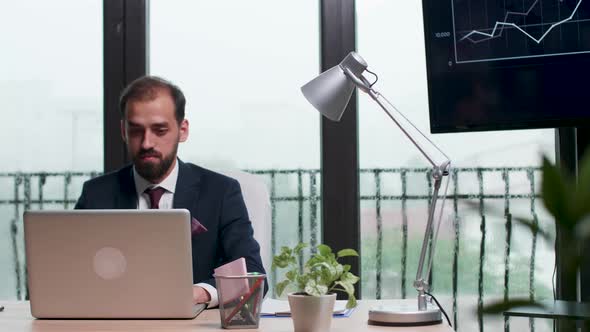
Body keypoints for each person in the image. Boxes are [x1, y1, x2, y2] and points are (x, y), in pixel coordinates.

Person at [74, 75, 267, 307]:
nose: (147, 143)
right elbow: (72, 272)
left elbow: (253, 275)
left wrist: (200, 293)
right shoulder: (96, 194)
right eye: (136, 131)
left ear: (182, 130)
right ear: (123, 131)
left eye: (160, 130)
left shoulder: (221, 192)